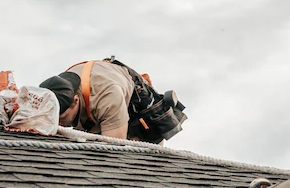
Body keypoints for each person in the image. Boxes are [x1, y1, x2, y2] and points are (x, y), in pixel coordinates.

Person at [40, 58, 186, 143]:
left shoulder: (107, 97)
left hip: (138, 113)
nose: (56, 123)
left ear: (75, 100)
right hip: (101, 94)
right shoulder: (48, 95)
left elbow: (113, 153)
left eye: (61, 117)